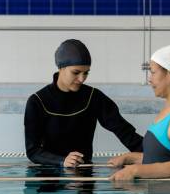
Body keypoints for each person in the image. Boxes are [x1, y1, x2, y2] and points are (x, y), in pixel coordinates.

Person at [24, 39, 143, 167]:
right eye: (76, 72)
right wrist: (61, 161)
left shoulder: (93, 97)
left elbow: (124, 131)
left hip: (83, 175)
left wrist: (153, 154)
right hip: (48, 176)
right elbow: (33, 151)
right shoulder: (37, 101)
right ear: (61, 68)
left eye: (86, 73)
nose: (81, 79)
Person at [109, 44, 170, 180]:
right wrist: (129, 158)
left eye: (153, 72)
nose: (149, 78)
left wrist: (134, 171)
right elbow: (159, 158)